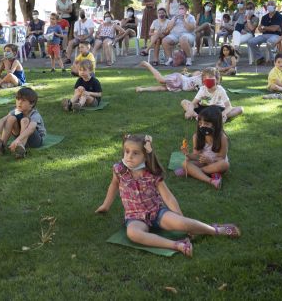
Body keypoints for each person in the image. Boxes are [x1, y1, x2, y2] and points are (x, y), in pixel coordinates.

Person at [95, 134, 240, 257]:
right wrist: (105, 205)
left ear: (145, 156)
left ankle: (215, 230)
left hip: (157, 212)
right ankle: (177, 245)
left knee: (182, 224)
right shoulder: (119, 170)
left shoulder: (152, 173)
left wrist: (180, 217)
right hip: (135, 216)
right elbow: (113, 185)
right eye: (126, 151)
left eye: (135, 153)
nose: (129, 156)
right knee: (133, 234)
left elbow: (168, 197)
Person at [176, 106, 229, 190]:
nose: (202, 126)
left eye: (207, 124)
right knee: (184, 163)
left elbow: (221, 158)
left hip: (215, 163)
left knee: (225, 164)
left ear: (216, 124)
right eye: (200, 123)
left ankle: (193, 172)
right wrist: (187, 154)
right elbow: (197, 156)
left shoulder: (222, 138)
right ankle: (210, 180)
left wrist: (209, 161)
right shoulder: (196, 136)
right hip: (202, 162)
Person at [0, 87, 45, 159]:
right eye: (18, 99)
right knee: (11, 118)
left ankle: (21, 148)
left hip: (35, 141)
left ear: (32, 103)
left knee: (24, 120)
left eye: (23, 100)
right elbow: (2, 120)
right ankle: (2, 145)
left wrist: (18, 140)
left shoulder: (35, 114)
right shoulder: (16, 111)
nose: (19, 102)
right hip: (20, 137)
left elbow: (31, 129)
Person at [248, 0, 282, 65]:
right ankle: (260, 57)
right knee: (251, 42)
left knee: (269, 42)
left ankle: (273, 60)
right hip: (264, 35)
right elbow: (260, 29)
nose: (270, 5)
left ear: (275, 6)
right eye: (268, 4)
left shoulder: (279, 16)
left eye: (271, 4)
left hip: (276, 35)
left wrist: (264, 27)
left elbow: (275, 29)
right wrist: (266, 28)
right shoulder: (264, 17)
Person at [162, 2, 196, 67]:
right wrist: (173, 21)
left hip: (188, 35)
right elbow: (168, 28)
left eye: (182, 8)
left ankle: (189, 59)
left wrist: (184, 20)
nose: (180, 10)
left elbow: (191, 29)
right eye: (179, 8)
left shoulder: (191, 17)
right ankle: (170, 59)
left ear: (187, 9)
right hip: (175, 35)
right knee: (165, 41)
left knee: (182, 38)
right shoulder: (175, 17)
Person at [135, 61, 201, 93]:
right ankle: (147, 65)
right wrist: (187, 74)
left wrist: (192, 88)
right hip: (179, 79)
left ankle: (142, 89)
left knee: (163, 88)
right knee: (161, 80)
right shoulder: (200, 75)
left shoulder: (203, 86)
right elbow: (193, 74)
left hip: (179, 86)